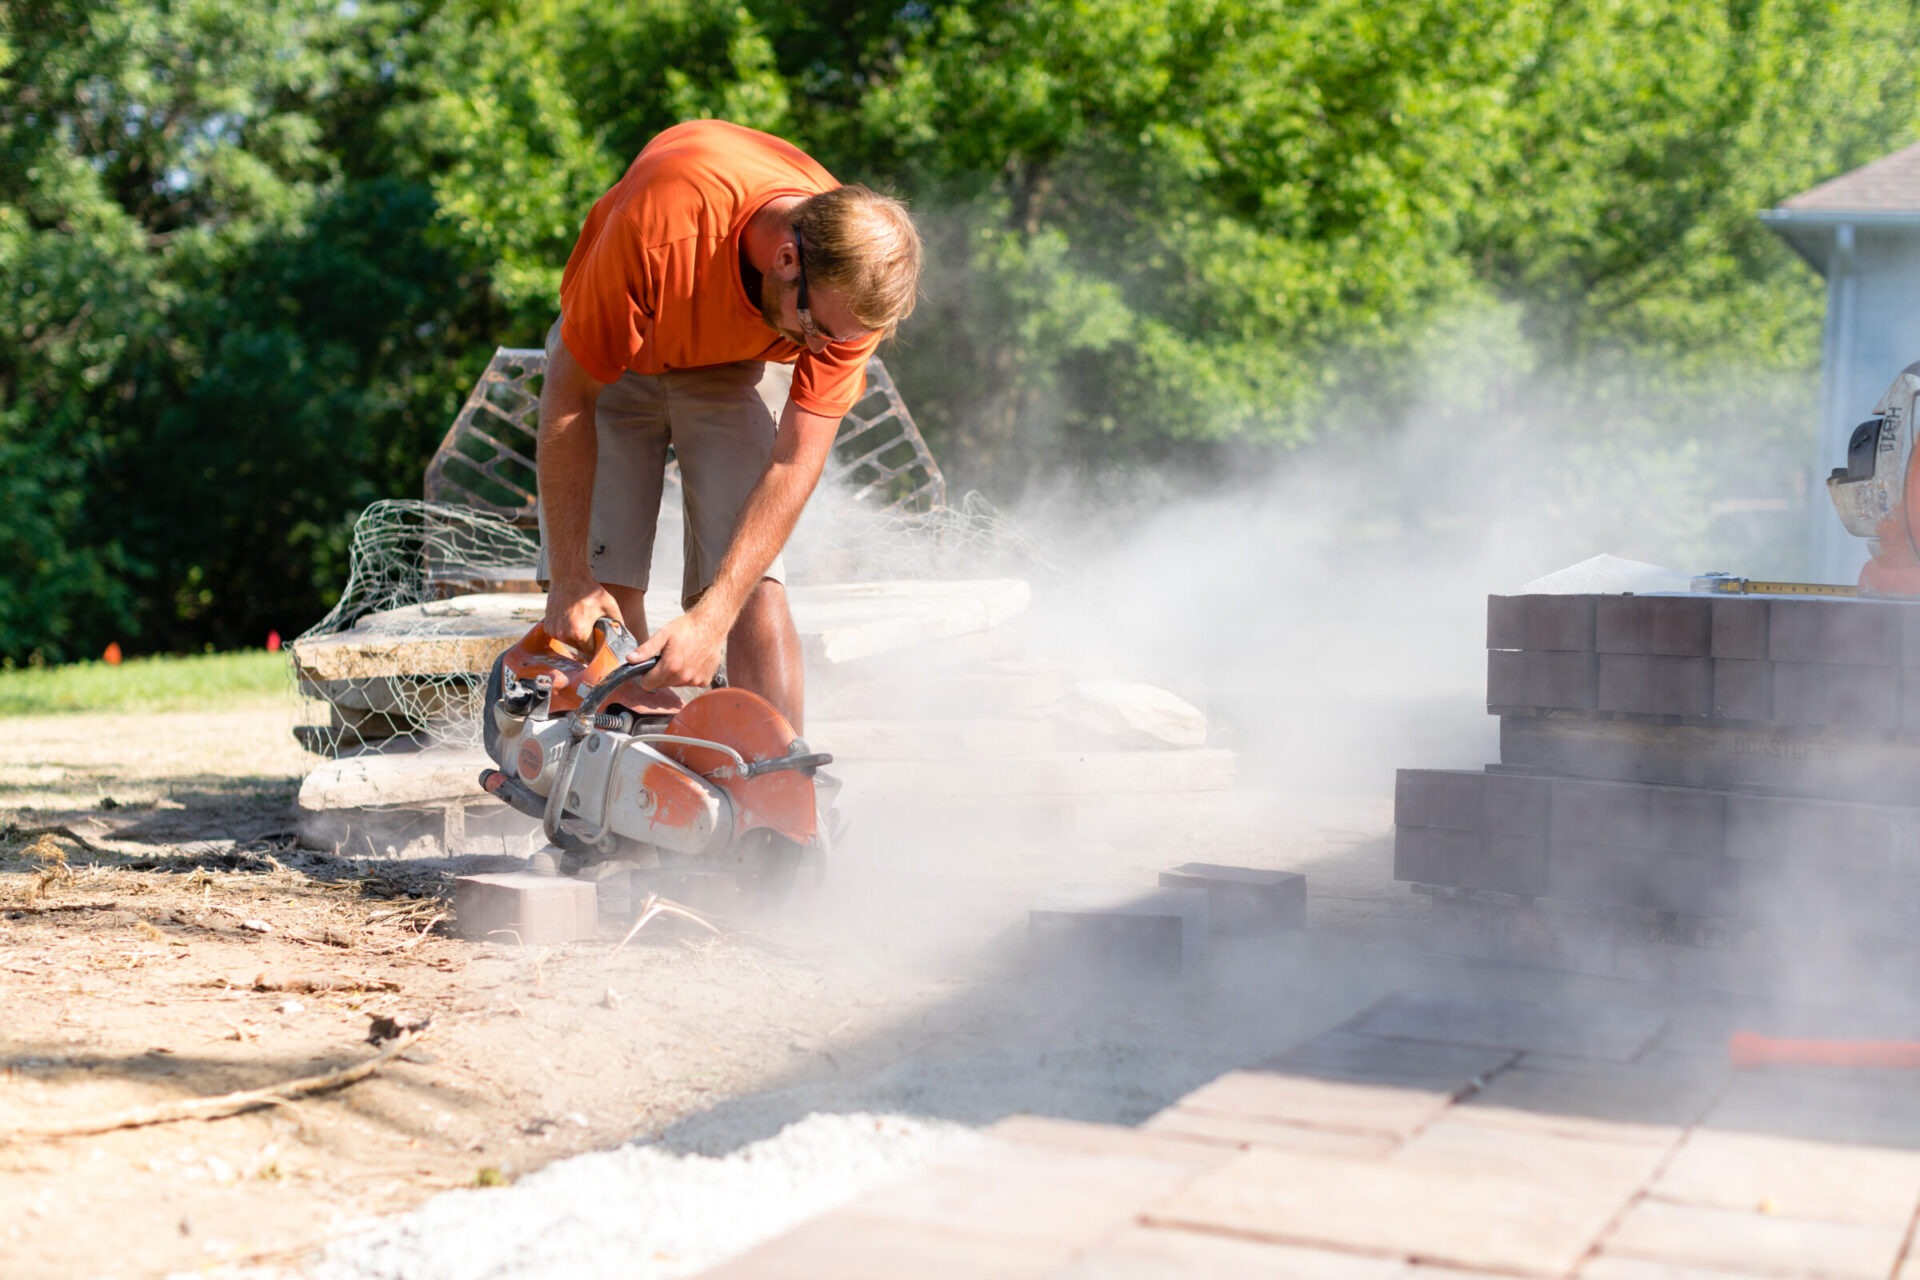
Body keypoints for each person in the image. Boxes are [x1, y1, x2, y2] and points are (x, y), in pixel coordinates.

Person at [536, 119, 922, 731]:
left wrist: (712, 617)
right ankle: (619, 773)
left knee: (752, 589)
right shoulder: (661, 224)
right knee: (599, 591)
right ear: (787, 258)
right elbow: (568, 399)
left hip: (730, 364)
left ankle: (781, 792)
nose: (822, 348)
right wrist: (569, 576)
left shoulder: (851, 295)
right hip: (620, 358)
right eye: (815, 331)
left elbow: (796, 460)